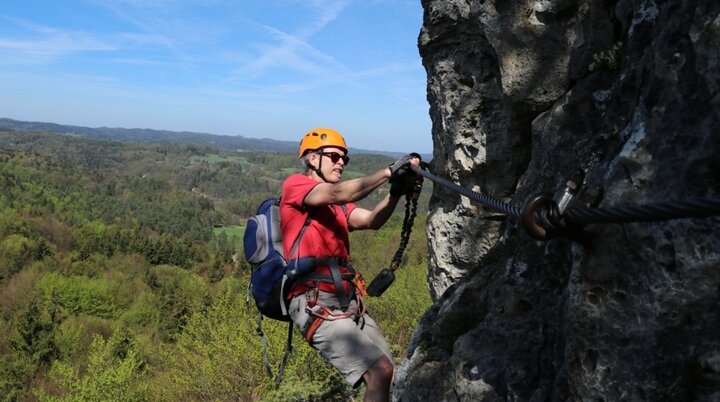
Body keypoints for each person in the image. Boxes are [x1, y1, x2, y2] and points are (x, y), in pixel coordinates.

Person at [279, 127, 419, 401]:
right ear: (311, 158)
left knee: (389, 376)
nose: (341, 162)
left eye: (345, 158)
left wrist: (395, 192)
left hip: (346, 300)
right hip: (313, 301)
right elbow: (338, 193)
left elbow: (370, 221)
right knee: (379, 371)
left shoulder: (337, 209)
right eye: (334, 156)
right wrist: (389, 172)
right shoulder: (295, 185)